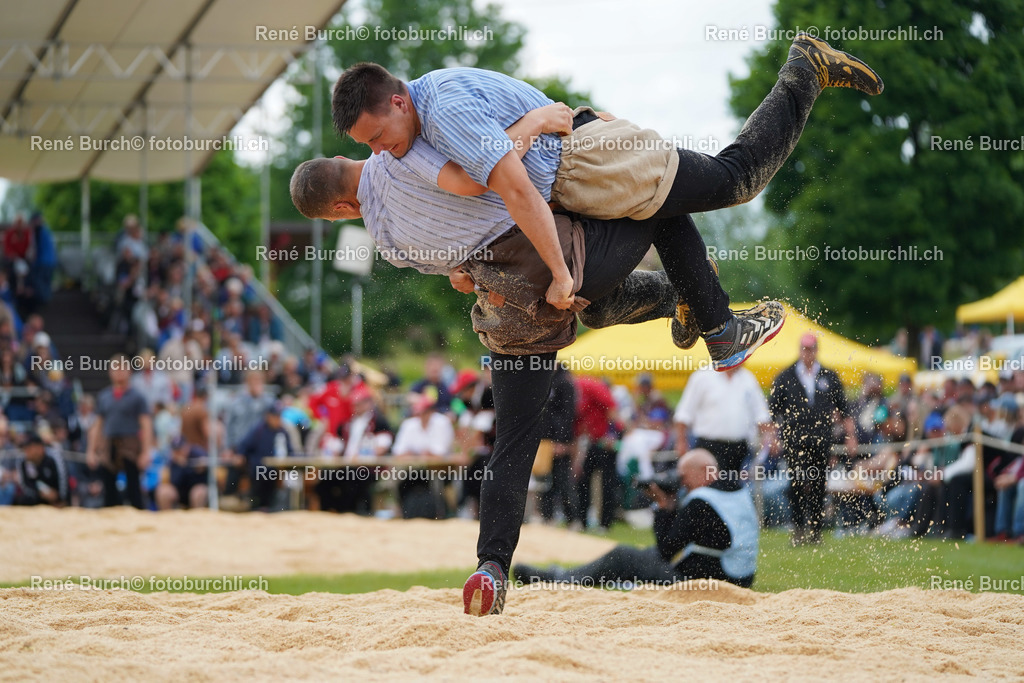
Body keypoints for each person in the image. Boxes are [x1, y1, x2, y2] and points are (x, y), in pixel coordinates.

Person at [330, 33, 882, 365]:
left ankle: (803, 70)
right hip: (571, 177)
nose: (380, 153)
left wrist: (557, 271)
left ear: (399, 102)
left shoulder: (442, 108)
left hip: (588, 162)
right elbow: (470, 189)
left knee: (734, 181)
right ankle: (705, 314)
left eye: (377, 138)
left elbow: (515, 189)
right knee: (602, 304)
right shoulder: (411, 139)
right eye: (368, 148)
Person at [514, 449, 758, 589]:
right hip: (741, 579)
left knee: (623, 556)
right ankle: (568, 577)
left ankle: (561, 580)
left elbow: (666, 550)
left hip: (705, 583)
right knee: (639, 559)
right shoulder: (736, 492)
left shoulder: (701, 502)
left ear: (702, 473)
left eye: (684, 477)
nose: (682, 483)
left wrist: (663, 507)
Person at [769, 333, 857, 545]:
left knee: (818, 484)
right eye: (805, 349)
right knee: (797, 484)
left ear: (816, 350)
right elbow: (772, 412)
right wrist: (772, 437)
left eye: (811, 349)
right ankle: (799, 529)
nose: (808, 353)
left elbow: (843, 410)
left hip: (821, 439)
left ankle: (816, 531)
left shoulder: (829, 375)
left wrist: (850, 436)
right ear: (800, 350)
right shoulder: (786, 376)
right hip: (794, 440)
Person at [673, 364, 772, 476]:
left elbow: (761, 414)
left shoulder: (748, 379)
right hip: (708, 446)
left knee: (733, 486)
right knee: (707, 486)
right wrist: (681, 441)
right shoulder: (702, 377)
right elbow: (684, 413)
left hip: (739, 448)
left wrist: (769, 437)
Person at [87, 354, 154, 509]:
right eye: (115, 368)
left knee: (134, 489)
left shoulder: (137, 397)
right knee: (109, 489)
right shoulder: (104, 396)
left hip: (130, 446)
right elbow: (97, 425)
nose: (119, 372)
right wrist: (91, 450)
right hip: (108, 444)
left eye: (122, 368)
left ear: (129, 371)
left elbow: (146, 424)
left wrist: (146, 451)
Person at [2, 431, 69, 506]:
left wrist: (59, 497)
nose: (25, 451)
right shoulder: (22, 460)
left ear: (39, 448)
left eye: (29, 448)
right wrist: (39, 493)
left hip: (57, 500)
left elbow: (63, 480)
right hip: (37, 500)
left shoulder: (54, 457)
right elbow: (25, 485)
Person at [154, 436, 209, 510]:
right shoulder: (173, 460)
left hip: (196, 489)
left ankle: (197, 518)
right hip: (179, 492)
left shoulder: (197, 453)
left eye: (181, 449)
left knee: (198, 493)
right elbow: (174, 480)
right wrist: (181, 466)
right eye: (176, 450)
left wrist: (195, 466)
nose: (179, 452)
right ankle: (167, 518)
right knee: (163, 491)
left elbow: (205, 473)